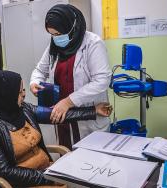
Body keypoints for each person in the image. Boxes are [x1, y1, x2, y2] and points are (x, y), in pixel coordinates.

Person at [0, 71, 112, 188]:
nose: (23, 94)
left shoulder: (23, 109)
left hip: (46, 171)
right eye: (19, 91)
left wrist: (93, 111)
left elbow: (58, 114)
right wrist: (49, 177)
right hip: (25, 183)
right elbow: (5, 172)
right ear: (4, 94)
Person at [30, 4, 112, 149]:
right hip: (63, 115)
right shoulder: (54, 47)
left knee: (91, 162)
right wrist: (34, 82)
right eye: (52, 34)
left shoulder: (93, 44)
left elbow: (102, 81)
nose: (56, 38)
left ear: (72, 27)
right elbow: (40, 70)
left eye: (59, 34)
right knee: (67, 154)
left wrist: (68, 102)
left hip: (87, 117)